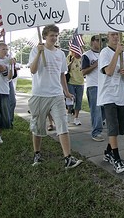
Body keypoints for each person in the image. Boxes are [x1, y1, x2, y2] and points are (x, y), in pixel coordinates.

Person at [28, 24, 82, 170]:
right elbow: (33, 70)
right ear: (45, 36)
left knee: (62, 124)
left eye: (56, 35)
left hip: (57, 95)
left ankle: (67, 158)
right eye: (51, 35)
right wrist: (39, 53)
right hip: (39, 94)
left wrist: (66, 92)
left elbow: (62, 75)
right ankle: (37, 153)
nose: (54, 37)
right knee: (38, 127)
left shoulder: (60, 54)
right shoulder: (36, 50)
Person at [98, 31, 124, 174]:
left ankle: (108, 151)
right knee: (112, 127)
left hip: (122, 95)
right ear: (108, 37)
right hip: (108, 95)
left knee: (118, 128)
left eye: (117, 35)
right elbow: (109, 71)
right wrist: (116, 53)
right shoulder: (104, 53)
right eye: (112, 34)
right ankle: (116, 158)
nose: (115, 37)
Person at [82, 35, 105, 141]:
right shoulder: (87, 55)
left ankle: (100, 124)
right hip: (93, 85)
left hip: (105, 85)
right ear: (92, 42)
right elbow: (83, 72)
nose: (100, 42)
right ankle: (96, 132)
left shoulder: (104, 54)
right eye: (98, 40)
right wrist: (95, 65)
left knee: (105, 109)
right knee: (96, 110)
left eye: (102, 40)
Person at [66, 51, 85, 126]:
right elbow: (66, 69)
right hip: (71, 82)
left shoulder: (83, 58)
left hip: (80, 83)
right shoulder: (69, 57)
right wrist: (71, 62)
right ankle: (69, 113)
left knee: (79, 101)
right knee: (71, 100)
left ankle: (76, 118)